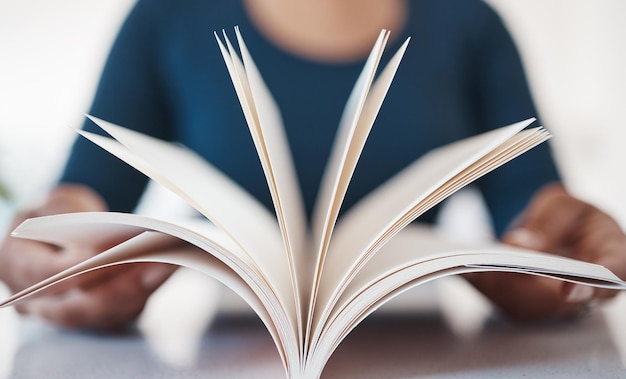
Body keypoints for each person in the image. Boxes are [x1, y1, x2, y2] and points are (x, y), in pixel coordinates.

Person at [1, 0, 625, 331]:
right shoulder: (166, 18)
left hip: (425, 338)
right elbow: (88, 185)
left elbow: (532, 201)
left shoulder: (471, 24)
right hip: (218, 348)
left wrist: (558, 248)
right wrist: (54, 238)